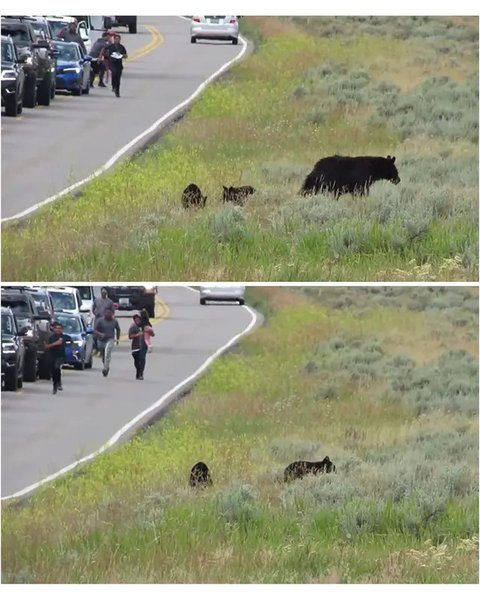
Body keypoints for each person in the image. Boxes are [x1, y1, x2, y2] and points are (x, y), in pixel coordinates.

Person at [45, 322, 72, 394]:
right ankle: (55, 384)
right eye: (57, 328)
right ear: (54, 329)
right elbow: (46, 346)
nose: (58, 330)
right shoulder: (51, 337)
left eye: (60, 329)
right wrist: (55, 344)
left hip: (61, 356)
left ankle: (58, 383)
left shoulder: (65, 337)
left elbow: (72, 343)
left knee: (57, 367)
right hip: (52, 356)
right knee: (53, 370)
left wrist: (73, 349)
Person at [94, 308, 121, 377]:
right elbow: (95, 330)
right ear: (104, 313)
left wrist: (117, 339)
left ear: (112, 314)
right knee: (103, 355)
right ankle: (106, 366)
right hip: (101, 340)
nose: (108, 314)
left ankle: (105, 369)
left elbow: (118, 329)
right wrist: (100, 334)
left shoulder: (114, 321)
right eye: (107, 313)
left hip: (110, 339)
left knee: (107, 353)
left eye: (109, 313)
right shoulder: (100, 321)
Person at [91, 287, 115, 353]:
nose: (103, 294)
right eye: (102, 292)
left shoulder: (110, 302)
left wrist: (111, 317)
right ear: (101, 293)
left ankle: (104, 346)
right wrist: (95, 313)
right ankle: (96, 348)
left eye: (105, 293)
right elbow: (93, 309)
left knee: (105, 332)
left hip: (105, 319)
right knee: (95, 333)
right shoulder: (96, 300)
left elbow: (113, 311)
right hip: (98, 319)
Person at [105, 33, 128, 97]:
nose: (117, 40)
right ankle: (113, 86)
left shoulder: (121, 47)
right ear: (114, 39)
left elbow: (126, 56)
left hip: (119, 64)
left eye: (118, 39)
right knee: (114, 73)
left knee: (118, 78)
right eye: (116, 39)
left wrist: (121, 55)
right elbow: (105, 51)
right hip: (112, 63)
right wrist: (107, 56)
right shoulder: (110, 46)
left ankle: (117, 91)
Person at [129, 314, 149, 380]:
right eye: (136, 320)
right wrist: (137, 335)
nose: (137, 321)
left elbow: (152, 333)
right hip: (135, 347)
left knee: (142, 359)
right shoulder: (133, 327)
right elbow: (130, 336)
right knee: (137, 361)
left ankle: (141, 373)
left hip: (143, 346)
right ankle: (138, 372)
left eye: (138, 320)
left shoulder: (144, 326)